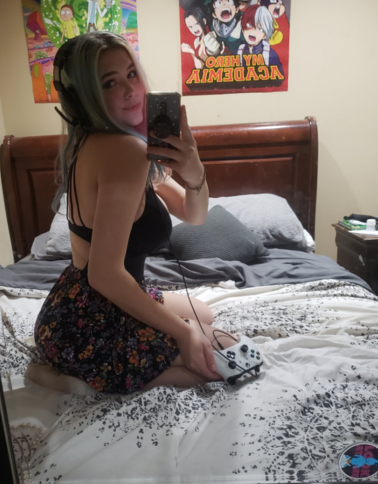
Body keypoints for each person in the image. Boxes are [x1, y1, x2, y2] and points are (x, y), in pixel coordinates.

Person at [35, 32, 237, 395]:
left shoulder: (97, 141)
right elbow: (104, 274)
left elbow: (194, 215)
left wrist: (194, 172)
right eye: (110, 83)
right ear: (85, 97)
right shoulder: (124, 150)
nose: (131, 90)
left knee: (204, 314)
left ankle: (77, 370)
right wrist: (182, 332)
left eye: (131, 73)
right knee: (223, 353)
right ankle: (76, 381)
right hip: (90, 325)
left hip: (69, 305)